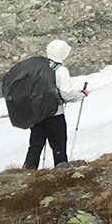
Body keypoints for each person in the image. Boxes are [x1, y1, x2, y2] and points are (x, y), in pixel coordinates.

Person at [24, 39, 87, 169]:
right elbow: (66, 94)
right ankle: (61, 171)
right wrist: (82, 94)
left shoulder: (38, 67)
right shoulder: (61, 70)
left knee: (35, 145)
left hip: (37, 113)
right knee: (58, 144)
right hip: (54, 113)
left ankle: (28, 172)